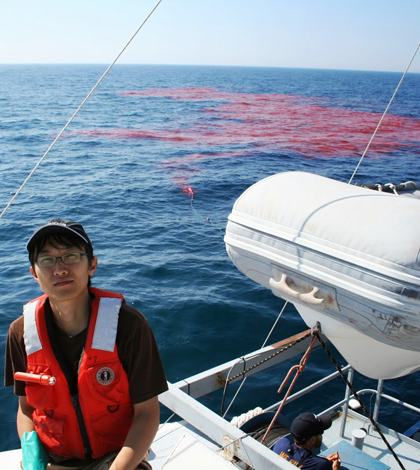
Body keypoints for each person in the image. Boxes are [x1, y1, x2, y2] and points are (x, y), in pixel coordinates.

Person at [5, 219, 168, 470]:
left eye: (70, 256)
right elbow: (26, 408)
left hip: (117, 459)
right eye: (47, 260)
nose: (59, 269)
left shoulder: (128, 325)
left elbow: (147, 412)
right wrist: (31, 459)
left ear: (92, 264)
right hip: (54, 461)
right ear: (34, 273)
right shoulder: (20, 333)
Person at [272, 412, 340, 470]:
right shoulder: (321, 465)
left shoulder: (280, 444)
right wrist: (335, 468)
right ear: (313, 440)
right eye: (320, 433)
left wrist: (321, 461)